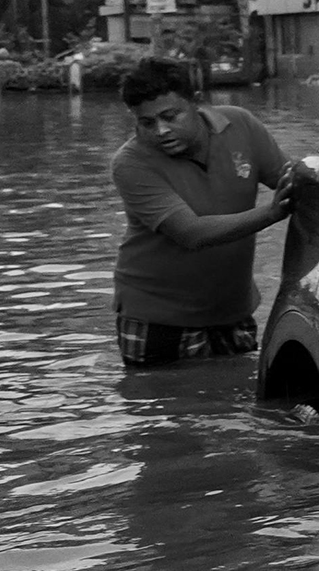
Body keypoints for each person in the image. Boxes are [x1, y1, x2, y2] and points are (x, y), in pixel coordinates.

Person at [108, 57, 298, 367]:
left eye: (171, 116)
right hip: (157, 316)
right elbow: (189, 232)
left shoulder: (241, 125)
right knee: (160, 407)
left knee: (235, 401)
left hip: (232, 311)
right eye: (146, 123)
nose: (161, 131)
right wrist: (272, 213)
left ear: (196, 102)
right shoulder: (131, 162)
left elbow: (294, 180)